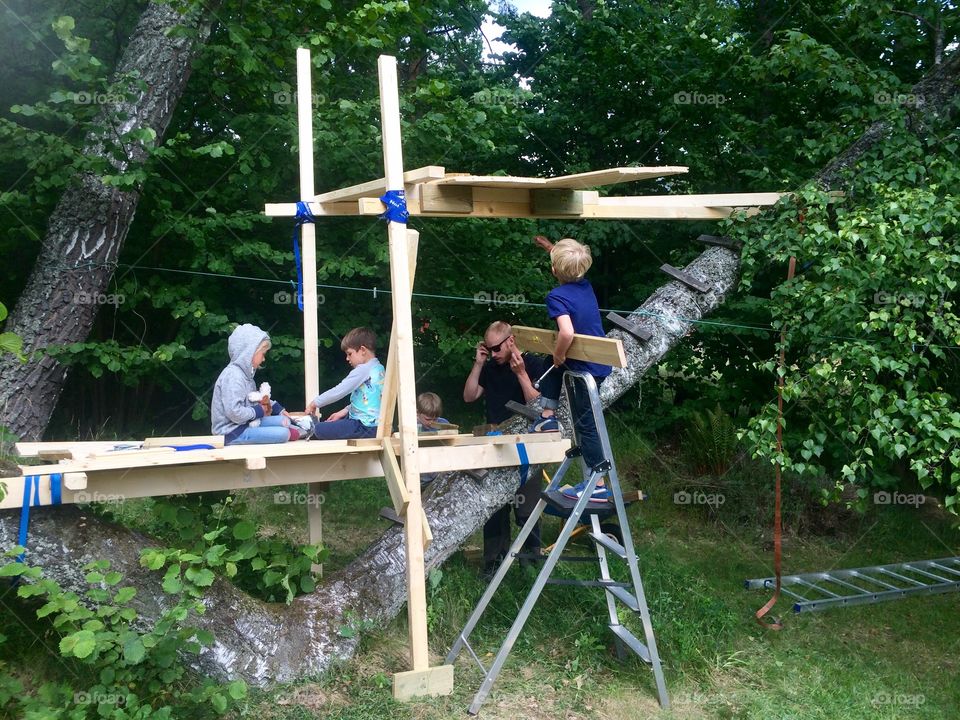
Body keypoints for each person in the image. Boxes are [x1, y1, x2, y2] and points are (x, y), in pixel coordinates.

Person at [463, 321, 548, 576]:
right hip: (495, 443)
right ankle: (493, 563)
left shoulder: (533, 364)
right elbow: (469, 396)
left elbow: (539, 406)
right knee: (494, 508)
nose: (494, 354)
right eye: (488, 349)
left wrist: (521, 373)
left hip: (526, 445)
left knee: (527, 506)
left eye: (497, 348)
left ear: (510, 341)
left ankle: (531, 563)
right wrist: (479, 363)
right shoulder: (490, 367)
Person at [532, 236, 612, 500]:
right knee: (549, 362)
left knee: (585, 424)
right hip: (596, 361)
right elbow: (570, 265)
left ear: (554, 270)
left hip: (585, 369)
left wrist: (559, 354)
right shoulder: (585, 286)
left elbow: (566, 332)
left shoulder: (556, 296)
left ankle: (597, 484)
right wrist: (551, 249)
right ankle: (548, 417)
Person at [211, 324, 302, 446]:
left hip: (245, 424)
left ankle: (296, 430)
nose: (264, 359)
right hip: (231, 432)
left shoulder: (246, 375)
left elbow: (254, 399)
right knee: (283, 433)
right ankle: (291, 433)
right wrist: (258, 411)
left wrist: (276, 408)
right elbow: (234, 412)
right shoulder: (233, 376)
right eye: (263, 354)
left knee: (284, 421)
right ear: (249, 352)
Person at [305, 327, 384, 440]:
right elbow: (369, 401)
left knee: (318, 428)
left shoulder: (363, 370)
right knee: (331, 424)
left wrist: (315, 403)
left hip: (364, 426)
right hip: (374, 425)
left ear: (363, 350)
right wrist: (344, 411)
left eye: (349, 354)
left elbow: (339, 391)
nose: (347, 358)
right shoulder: (379, 368)